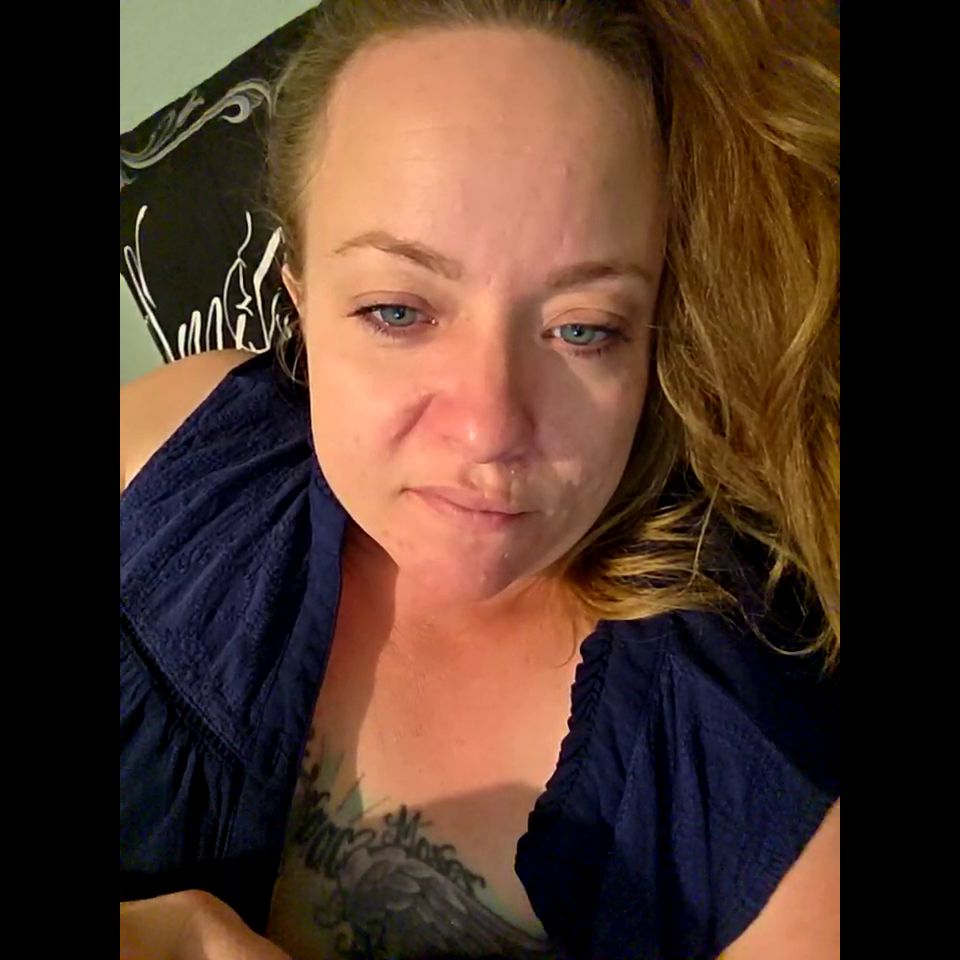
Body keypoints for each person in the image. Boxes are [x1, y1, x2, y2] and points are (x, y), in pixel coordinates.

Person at [119, 1, 840, 958]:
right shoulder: (176, 440)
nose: (489, 430)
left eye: (583, 328)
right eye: (397, 311)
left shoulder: (751, 779)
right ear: (301, 300)